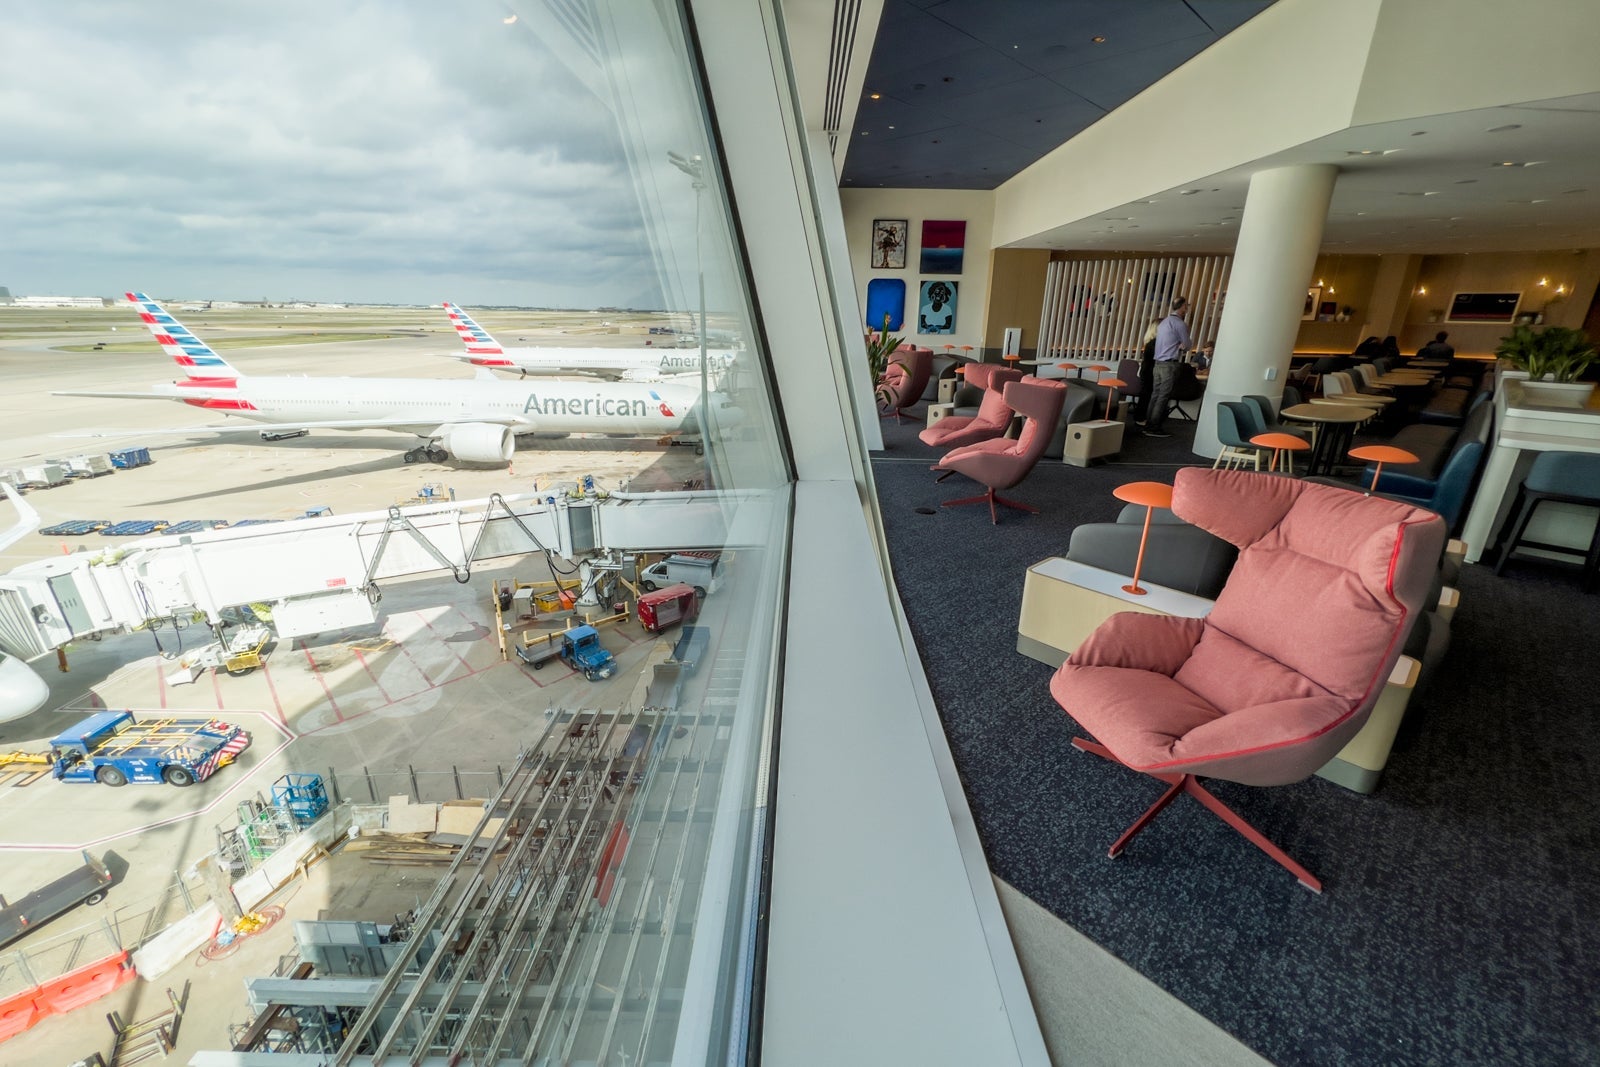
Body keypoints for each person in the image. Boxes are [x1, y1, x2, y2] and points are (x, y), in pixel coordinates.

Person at [1143, 296, 1190, 437]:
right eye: (1186, 306)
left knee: (1155, 395)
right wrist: (1182, 345)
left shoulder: (1163, 323)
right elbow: (1187, 345)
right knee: (1163, 396)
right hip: (1169, 364)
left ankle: (1148, 424)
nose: (1187, 308)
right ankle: (1154, 427)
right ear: (1183, 307)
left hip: (1157, 364)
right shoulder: (1179, 324)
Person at [1134, 318, 1160, 420]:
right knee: (1146, 395)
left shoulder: (1150, 342)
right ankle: (1141, 418)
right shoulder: (1155, 343)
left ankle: (1141, 418)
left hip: (1146, 370)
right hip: (1150, 371)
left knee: (1145, 395)